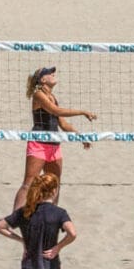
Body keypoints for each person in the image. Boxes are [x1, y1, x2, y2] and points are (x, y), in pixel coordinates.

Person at [13, 67, 97, 210]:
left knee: (54, 184)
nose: (53, 74)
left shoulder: (53, 97)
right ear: (42, 79)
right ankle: (13, 218)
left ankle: (51, 217)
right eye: (49, 73)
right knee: (29, 183)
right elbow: (55, 111)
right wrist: (82, 111)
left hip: (54, 144)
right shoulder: (38, 94)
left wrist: (80, 137)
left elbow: (63, 124)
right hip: (39, 142)